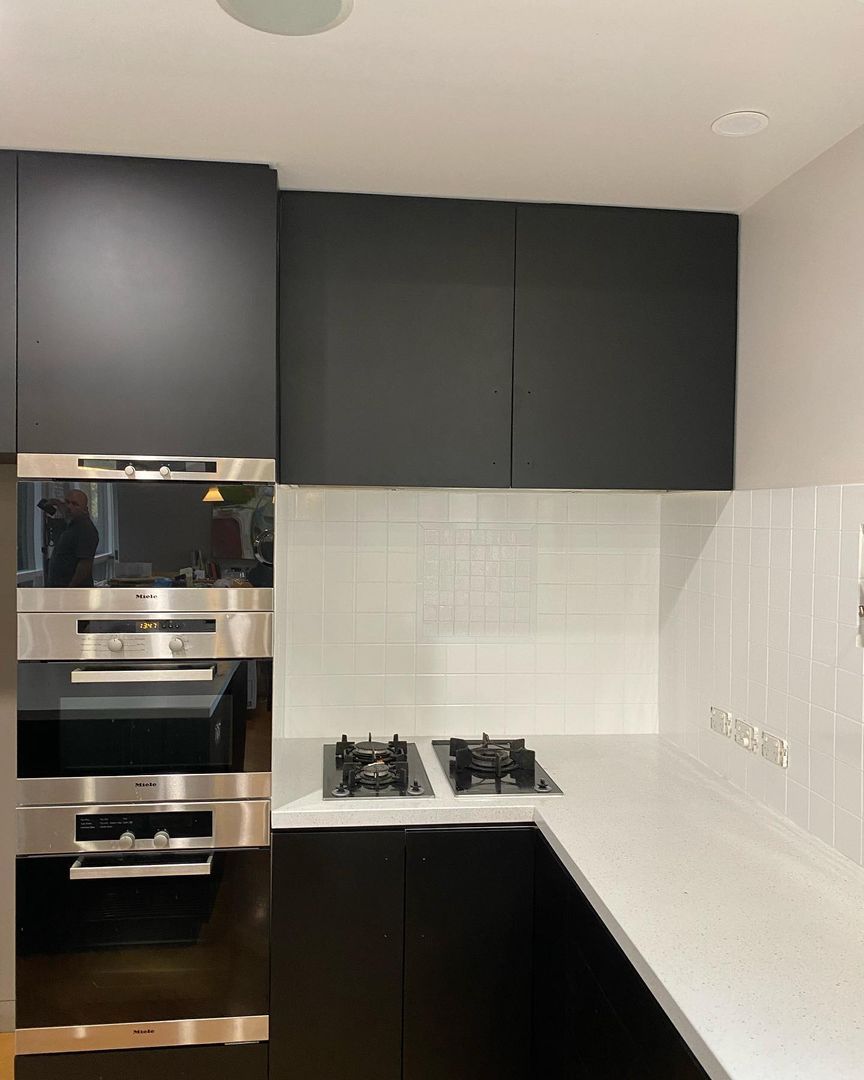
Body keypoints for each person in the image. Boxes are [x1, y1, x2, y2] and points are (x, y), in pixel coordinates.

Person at [47, 490, 100, 587]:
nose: (69, 506)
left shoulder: (85, 529)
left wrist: (70, 588)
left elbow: (85, 565)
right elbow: (67, 511)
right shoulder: (72, 523)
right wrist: (57, 503)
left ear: (85, 510)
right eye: (67, 502)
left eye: (75, 504)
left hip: (75, 592)